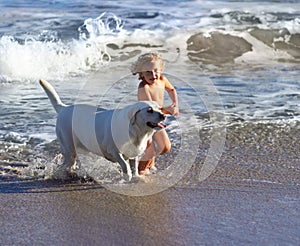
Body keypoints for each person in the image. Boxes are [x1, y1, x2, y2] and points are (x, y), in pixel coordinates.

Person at [130, 52, 179, 175]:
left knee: (165, 147)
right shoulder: (143, 88)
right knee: (151, 150)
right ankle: (140, 171)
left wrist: (175, 104)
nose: (153, 75)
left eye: (156, 70)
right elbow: (150, 110)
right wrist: (167, 110)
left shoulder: (162, 80)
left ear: (161, 70)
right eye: (148, 72)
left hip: (157, 120)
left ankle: (148, 164)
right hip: (146, 123)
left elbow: (172, 90)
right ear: (141, 73)